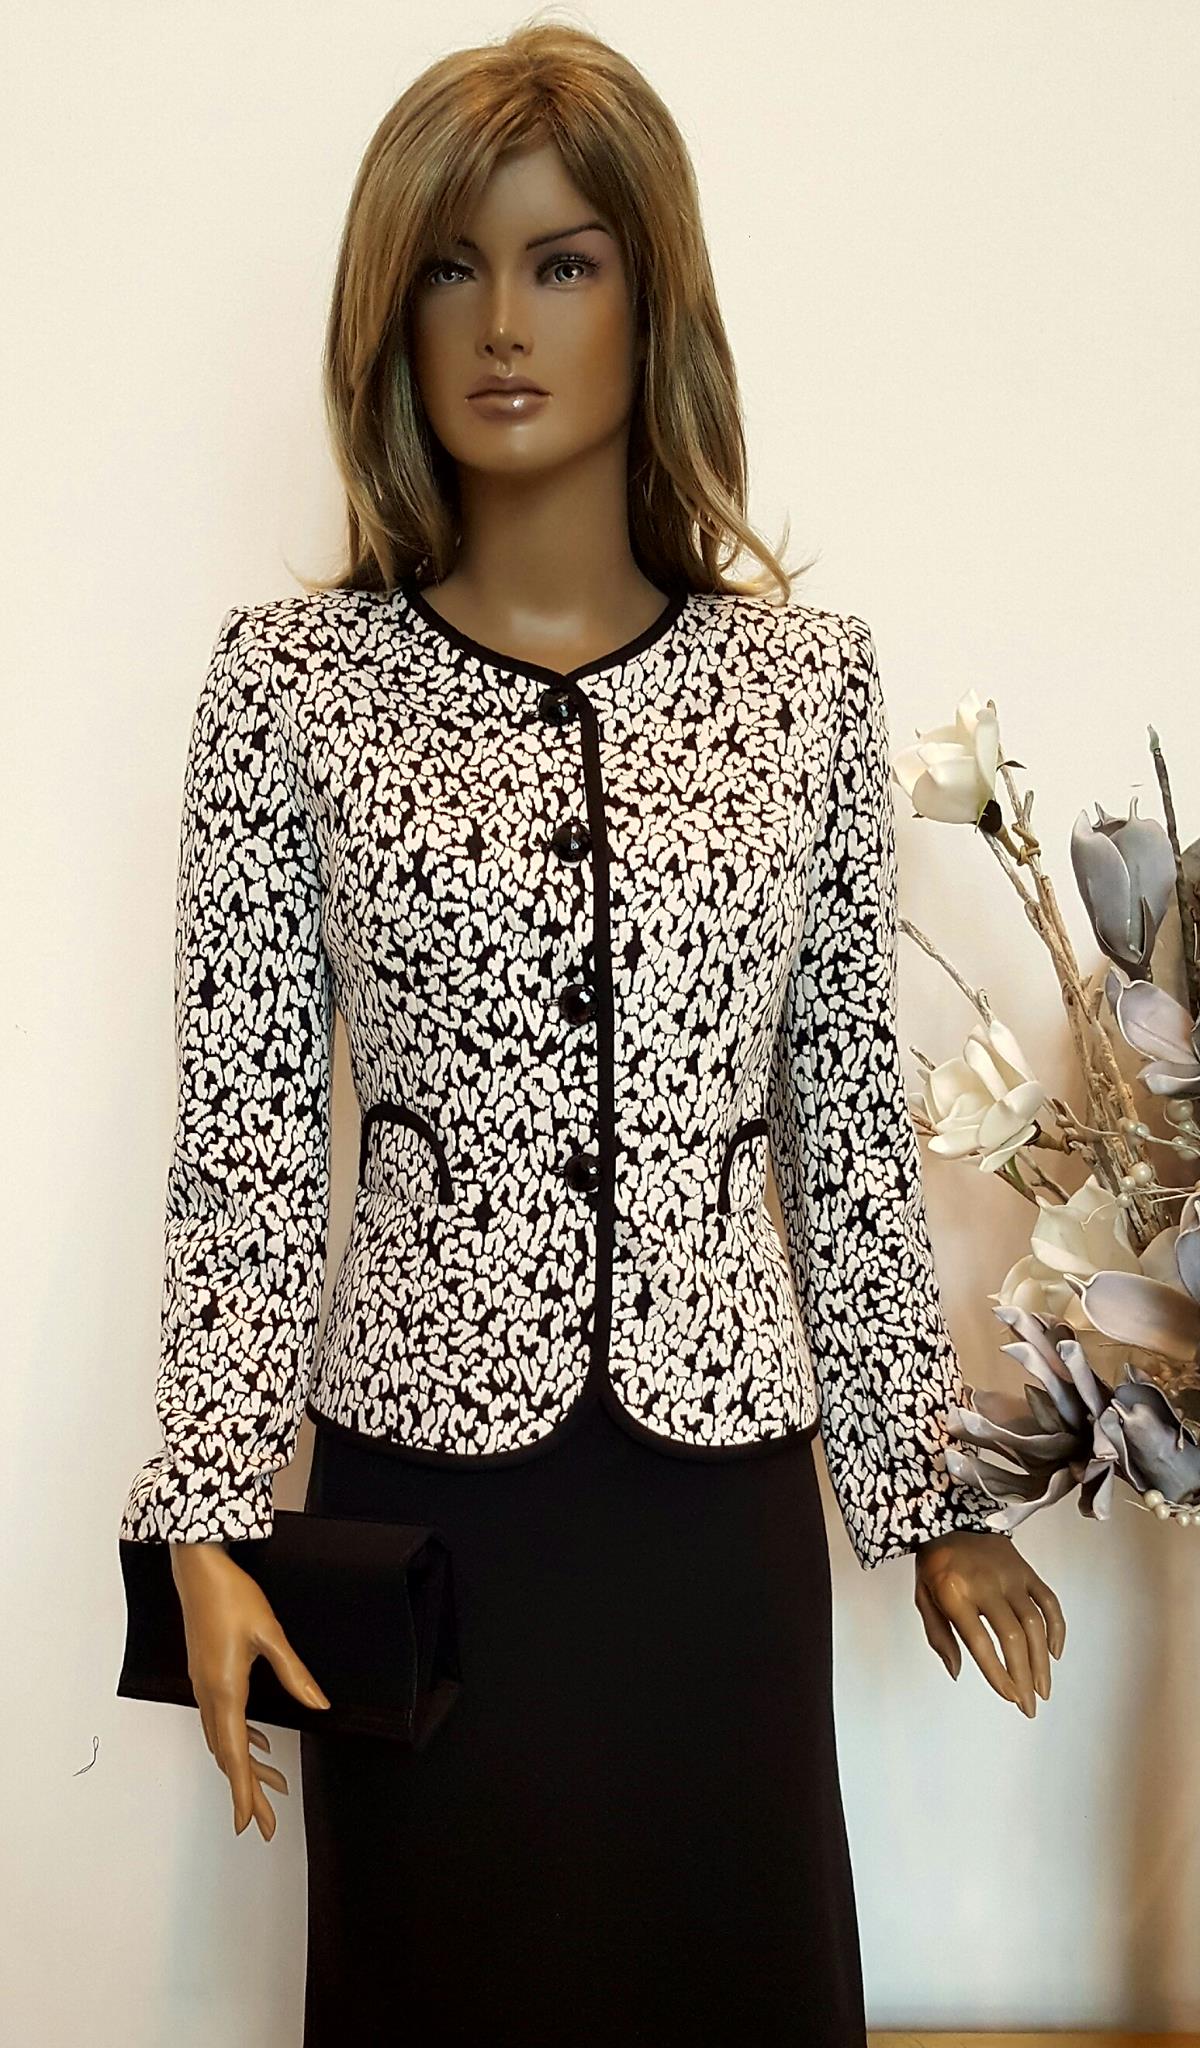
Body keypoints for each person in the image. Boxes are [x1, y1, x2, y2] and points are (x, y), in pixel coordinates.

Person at [118, 22, 1065, 2046]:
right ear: (389, 314)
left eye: (564, 262)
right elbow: (248, 1138)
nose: (503, 323)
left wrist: (931, 1503)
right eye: (451, 267)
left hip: (714, 1512)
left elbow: (842, 1136)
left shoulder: (804, 690)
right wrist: (201, 1504)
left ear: (655, 296)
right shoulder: (288, 688)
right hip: (424, 1496)